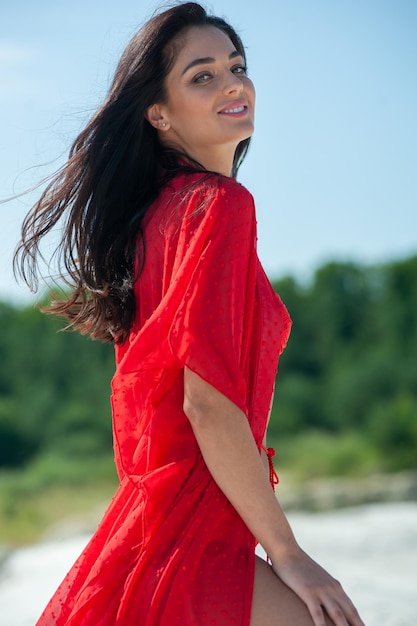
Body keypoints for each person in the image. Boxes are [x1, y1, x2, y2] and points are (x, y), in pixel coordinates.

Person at [14, 3, 365, 625]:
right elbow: (205, 401)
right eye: (202, 76)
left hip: (153, 522)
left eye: (237, 66)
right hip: (189, 527)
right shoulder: (218, 207)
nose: (233, 83)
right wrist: (289, 554)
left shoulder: (156, 217)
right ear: (158, 112)